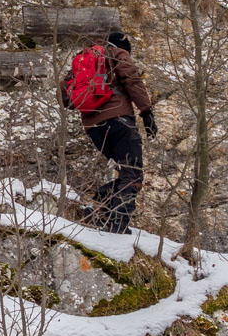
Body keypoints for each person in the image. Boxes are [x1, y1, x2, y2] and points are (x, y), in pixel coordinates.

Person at [60, 30, 156, 234]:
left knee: (125, 171)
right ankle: (116, 223)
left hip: (94, 128)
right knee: (132, 173)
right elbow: (132, 80)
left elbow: (65, 95)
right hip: (120, 121)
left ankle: (101, 211)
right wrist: (146, 112)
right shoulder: (117, 53)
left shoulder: (85, 58)